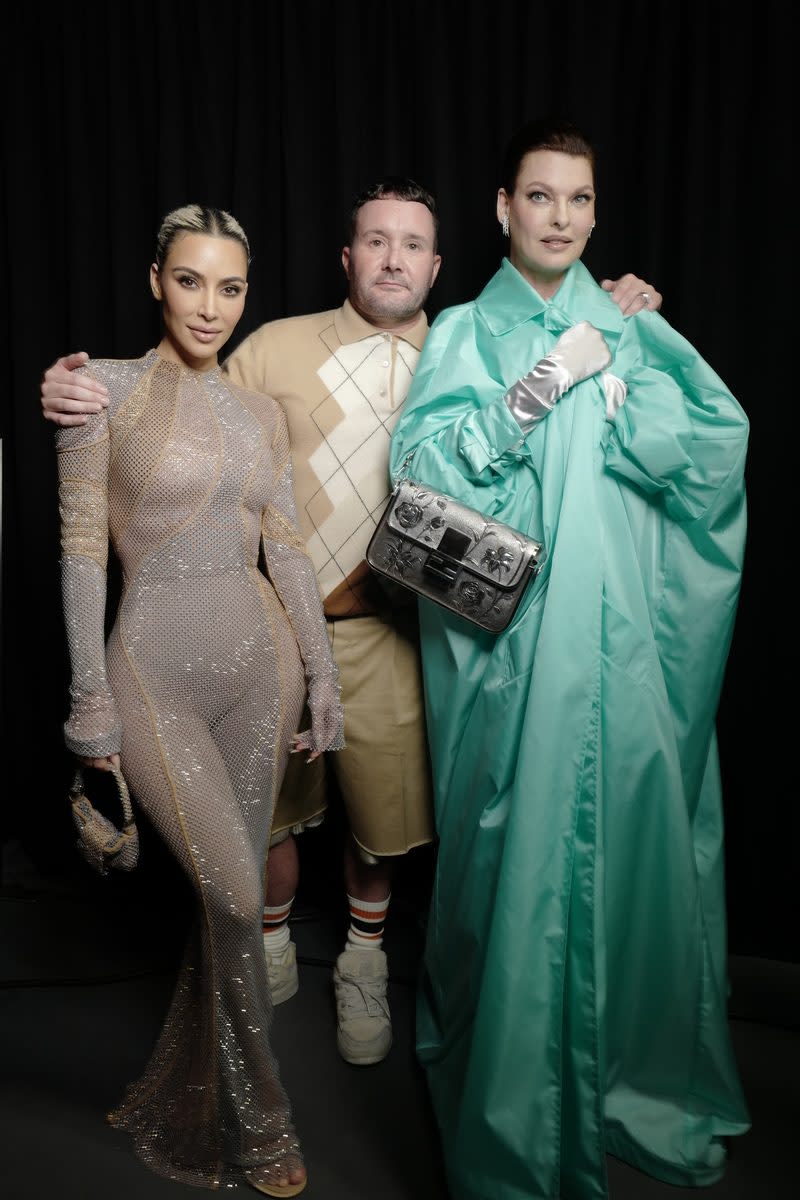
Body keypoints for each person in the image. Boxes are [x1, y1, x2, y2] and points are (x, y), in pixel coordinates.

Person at [41, 177, 662, 1069]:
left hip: (398, 634)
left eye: (413, 245)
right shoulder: (271, 349)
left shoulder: (468, 349)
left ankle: (364, 960)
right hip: (267, 632)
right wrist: (71, 389)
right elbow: (178, 403)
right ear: (347, 255)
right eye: (376, 241)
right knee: (274, 819)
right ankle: (273, 934)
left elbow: (549, 371)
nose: (394, 259)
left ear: (438, 264)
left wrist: (617, 306)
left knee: (383, 815)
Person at [388, 120, 750, 1200]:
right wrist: (542, 383)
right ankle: (514, 1106)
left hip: (626, 651)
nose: (557, 217)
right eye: (537, 197)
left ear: (594, 213)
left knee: (635, 863)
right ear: (501, 208)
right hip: (512, 663)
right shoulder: (460, 331)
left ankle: (622, 1084)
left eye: (576, 201)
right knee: (515, 871)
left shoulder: (630, 323)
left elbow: (712, 451)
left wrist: (624, 396)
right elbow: (418, 483)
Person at [56, 203, 345, 1197]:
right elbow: (83, 549)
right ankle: (262, 1127)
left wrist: (320, 671)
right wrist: (87, 700)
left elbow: (289, 549)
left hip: (258, 668)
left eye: (229, 287)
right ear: (155, 280)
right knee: (229, 895)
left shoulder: (263, 414)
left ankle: (194, 1083)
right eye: (190, 280)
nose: (209, 306)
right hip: (152, 676)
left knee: (236, 908)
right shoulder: (105, 393)